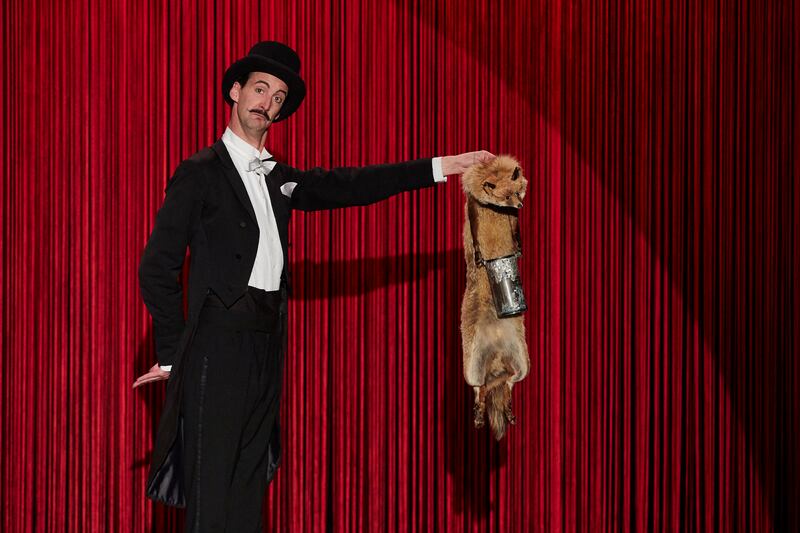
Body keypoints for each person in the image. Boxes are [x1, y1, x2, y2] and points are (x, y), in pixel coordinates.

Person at [133, 41, 493, 532]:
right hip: (215, 348)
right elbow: (157, 266)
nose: (267, 103)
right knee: (210, 490)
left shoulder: (281, 177)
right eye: (260, 89)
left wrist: (442, 166)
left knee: (247, 490)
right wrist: (175, 353)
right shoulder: (200, 173)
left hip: (266, 343)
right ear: (235, 92)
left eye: (278, 97)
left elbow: (349, 186)